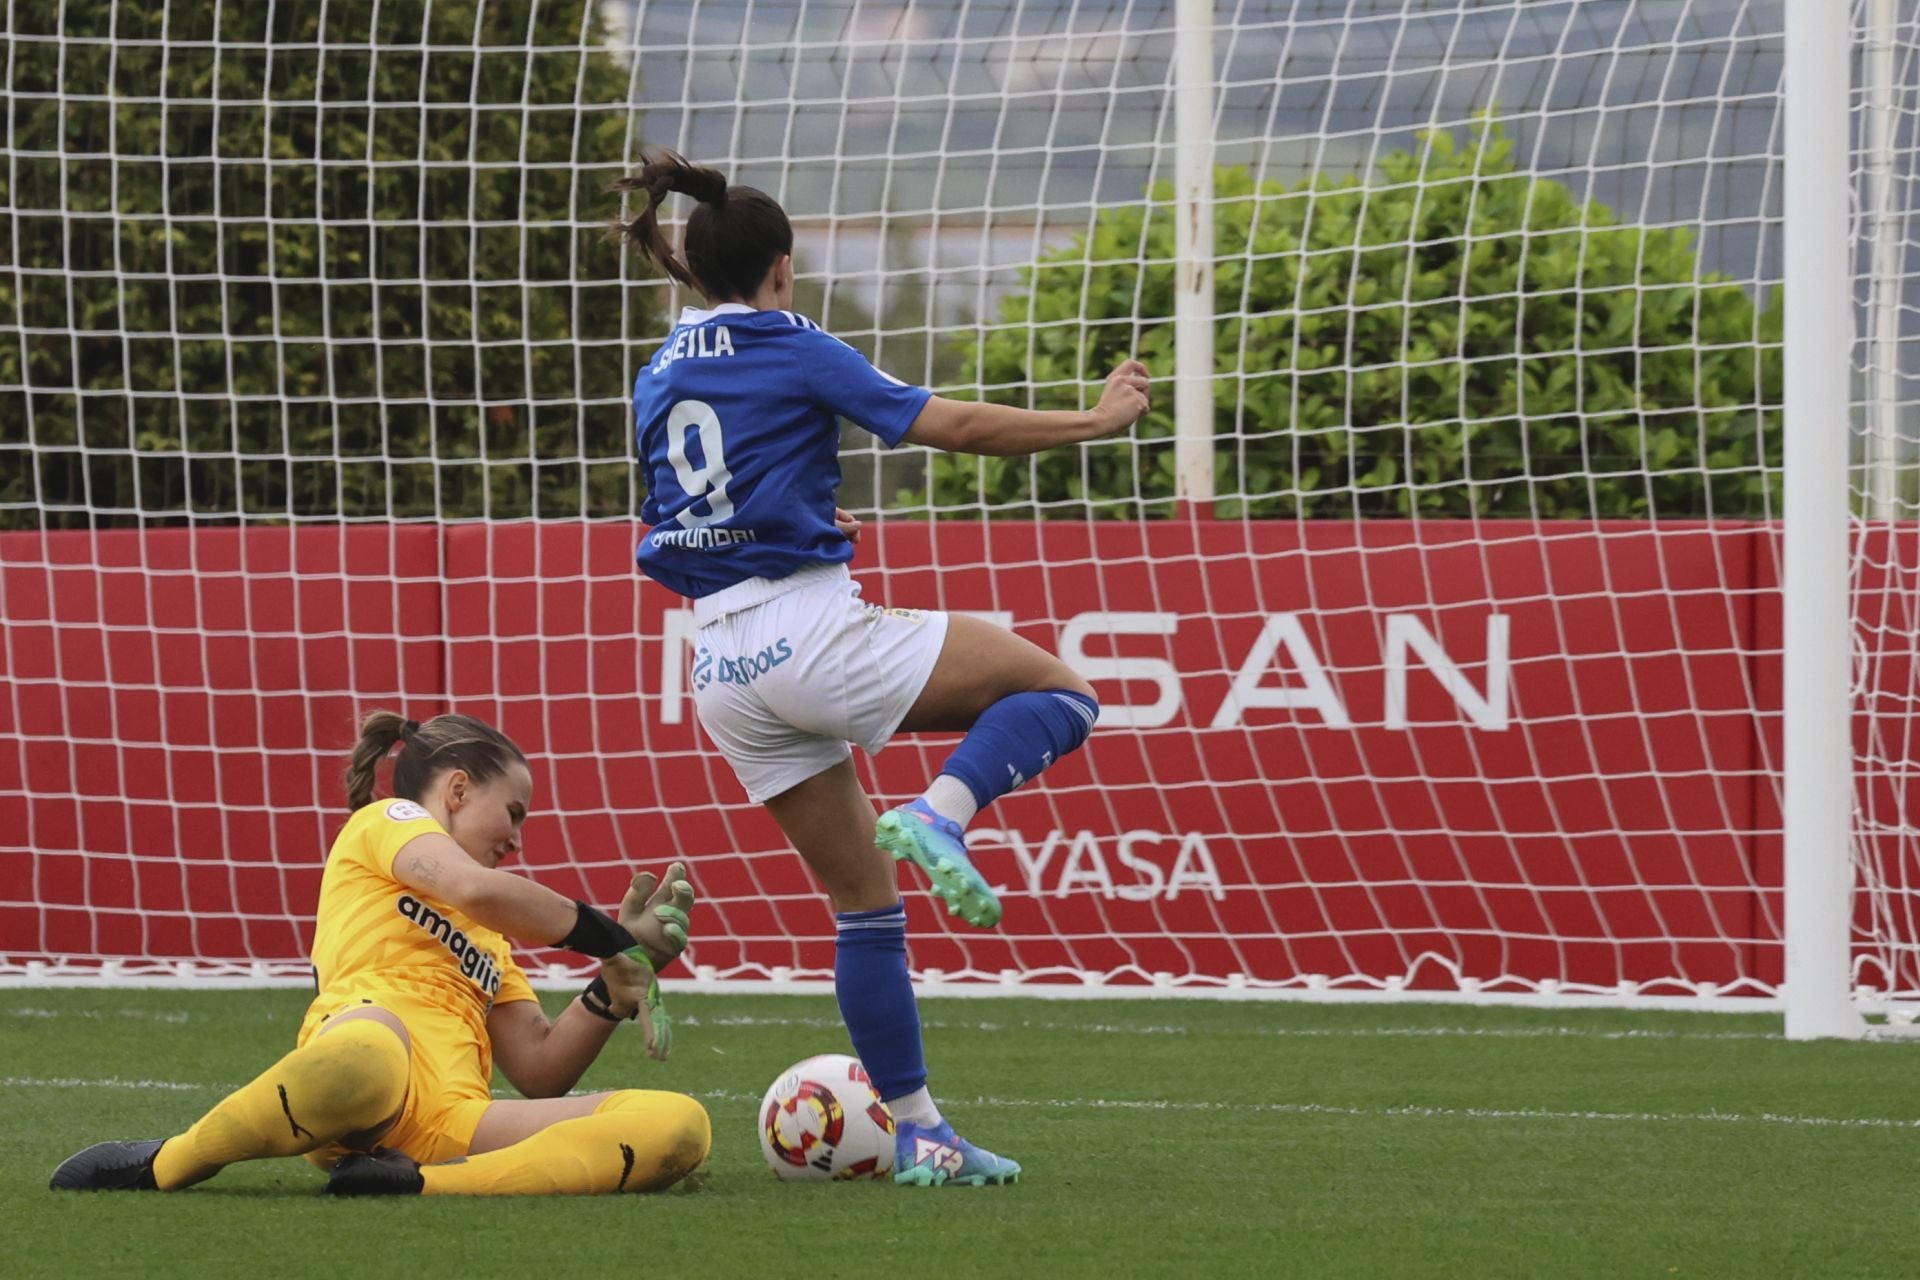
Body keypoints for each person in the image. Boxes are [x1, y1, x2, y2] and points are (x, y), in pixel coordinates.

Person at [611, 147, 1150, 1188]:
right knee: (1059, 689)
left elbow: (684, 510)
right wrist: (1093, 419)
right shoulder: (792, 338)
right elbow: (946, 424)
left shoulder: (660, 368)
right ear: (780, 269)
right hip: (809, 631)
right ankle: (944, 810)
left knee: (865, 904)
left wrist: (803, 516)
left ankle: (921, 1132)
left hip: (718, 661)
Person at [50, 710, 705, 1197]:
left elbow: (538, 1070)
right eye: (512, 813)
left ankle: (415, 1184)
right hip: (366, 1056)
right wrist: (611, 941)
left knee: (678, 1124)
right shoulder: (387, 823)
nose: (517, 839)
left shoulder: (491, 942)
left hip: (448, 1123)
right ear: (455, 791)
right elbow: (471, 887)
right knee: (363, 1063)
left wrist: (610, 992)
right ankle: (173, 1160)